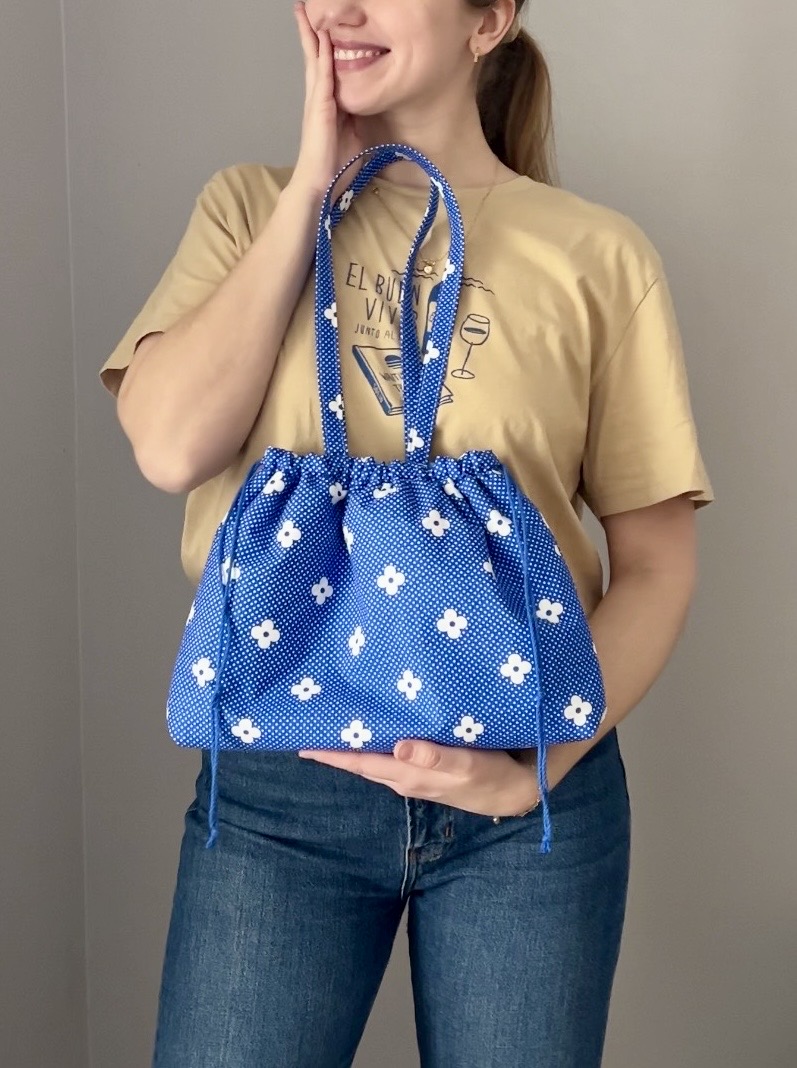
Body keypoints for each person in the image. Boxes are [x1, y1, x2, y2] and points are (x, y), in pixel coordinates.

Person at [100, 1, 714, 1064]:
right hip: (281, 785)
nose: (338, 9)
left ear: (489, 21)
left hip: (522, 785)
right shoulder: (246, 210)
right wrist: (311, 188)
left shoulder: (598, 256)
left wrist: (533, 769)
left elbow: (656, 565)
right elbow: (169, 447)